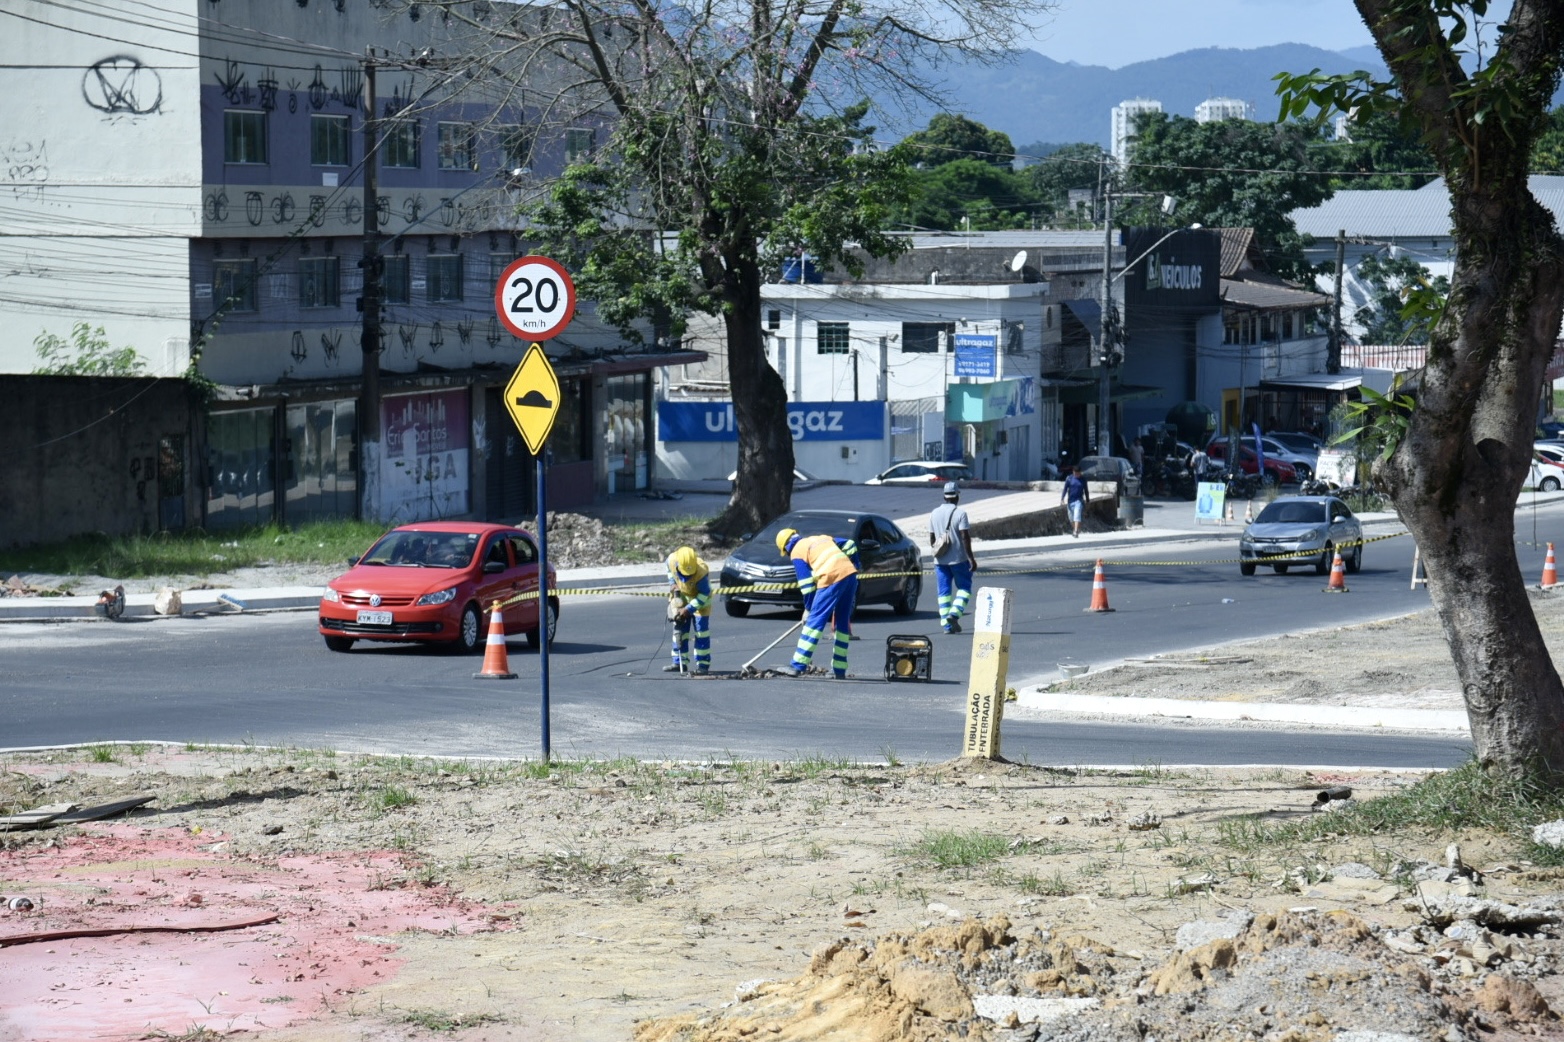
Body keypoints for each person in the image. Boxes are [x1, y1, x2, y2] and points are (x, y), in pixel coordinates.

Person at [775, 527, 860, 678]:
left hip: (831, 577)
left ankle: (797, 665)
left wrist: (808, 610)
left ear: (786, 548)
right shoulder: (821, 538)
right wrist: (855, 564)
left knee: (814, 622)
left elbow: (807, 585)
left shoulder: (796, 552)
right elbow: (850, 544)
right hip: (850, 576)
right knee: (842, 621)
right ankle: (839, 669)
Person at [928, 481, 976, 634]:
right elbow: (965, 537)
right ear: (957, 496)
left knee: (943, 594)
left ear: (944, 496)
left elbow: (932, 538)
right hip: (958, 559)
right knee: (964, 588)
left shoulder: (934, 513)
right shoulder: (960, 514)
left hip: (940, 561)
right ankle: (954, 615)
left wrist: (938, 552)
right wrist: (971, 558)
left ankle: (947, 626)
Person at [664, 545, 713, 674]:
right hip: (682, 597)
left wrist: (688, 609)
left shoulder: (701, 571)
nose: (687, 578)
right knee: (679, 632)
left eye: (690, 575)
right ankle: (679, 662)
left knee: (701, 633)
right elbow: (669, 569)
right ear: (678, 565)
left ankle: (703, 665)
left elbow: (704, 594)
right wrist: (672, 583)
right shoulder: (672, 560)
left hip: (700, 602)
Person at [1061, 466, 1089, 538]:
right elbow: (1065, 489)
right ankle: (1075, 529)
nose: (1077, 475)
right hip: (1070, 501)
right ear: (1073, 472)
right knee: (1071, 519)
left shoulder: (1083, 479)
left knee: (1077, 515)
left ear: (1080, 472)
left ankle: (1076, 531)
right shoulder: (1069, 479)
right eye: (1076, 473)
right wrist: (1062, 499)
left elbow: (1086, 490)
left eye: (1078, 473)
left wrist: (1087, 500)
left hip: (1079, 501)